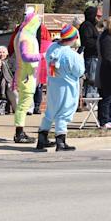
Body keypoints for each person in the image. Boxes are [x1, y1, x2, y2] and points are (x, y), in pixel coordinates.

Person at [35, 24, 83, 152]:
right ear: (73, 38)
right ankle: (60, 142)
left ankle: (42, 138)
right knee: (64, 112)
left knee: (50, 111)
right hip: (67, 87)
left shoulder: (52, 48)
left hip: (53, 85)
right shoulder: (71, 55)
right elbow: (79, 72)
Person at [11, 8, 43, 143]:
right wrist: (42, 56)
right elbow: (26, 56)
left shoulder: (22, 34)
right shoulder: (25, 37)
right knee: (24, 104)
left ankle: (20, 132)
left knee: (23, 104)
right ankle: (19, 134)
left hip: (26, 73)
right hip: (26, 75)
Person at [79, 5, 102, 98]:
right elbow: (88, 42)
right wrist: (99, 43)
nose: (99, 19)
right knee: (91, 78)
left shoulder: (91, 26)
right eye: (97, 16)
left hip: (94, 56)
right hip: (91, 57)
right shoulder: (87, 26)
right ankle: (91, 99)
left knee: (93, 78)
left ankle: (91, 97)